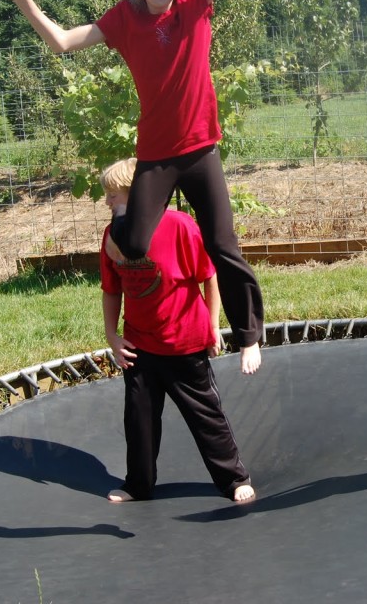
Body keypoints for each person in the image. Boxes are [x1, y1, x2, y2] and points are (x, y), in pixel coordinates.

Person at [0, 0, 264, 375]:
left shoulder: (195, 2)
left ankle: (249, 337)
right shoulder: (124, 18)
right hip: (156, 156)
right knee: (134, 242)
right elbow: (60, 42)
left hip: (200, 151)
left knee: (221, 243)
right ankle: (142, 251)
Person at [99, 158, 255, 504]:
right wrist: (112, 336)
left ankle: (233, 478)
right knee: (138, 420)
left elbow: (209, 276)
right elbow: (111, 289)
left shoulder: (180, 227)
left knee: (205, 415)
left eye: (112, 195)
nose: (106, 202)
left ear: (133, 194)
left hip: (184, 342)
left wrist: (213, 325)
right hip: (139, 344)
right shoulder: (112, 236)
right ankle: (138, 485)